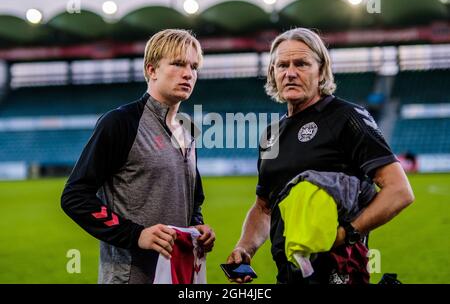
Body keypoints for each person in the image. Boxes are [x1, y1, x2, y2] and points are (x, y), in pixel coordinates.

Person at [226, 27, 414, 284]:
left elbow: (399, 191)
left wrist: (346, 233)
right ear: (273, 73)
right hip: (290, 274)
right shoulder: (271, 135)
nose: (290, 73)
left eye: (301, 64)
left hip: (340, 272)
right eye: (282, 65)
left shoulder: (348, 118)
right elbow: (264, 207)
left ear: (321, 70)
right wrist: (245, 248)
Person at [61, 29, 215, 284]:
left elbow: (193, 200)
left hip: (177, 275)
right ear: (151, 70)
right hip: (129, 277)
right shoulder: (121, 123)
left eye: (194, 66)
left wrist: (196, 227)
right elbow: (75, 196)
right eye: (177, 64)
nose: (188, 73)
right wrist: (136, 235)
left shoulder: (188, 131)